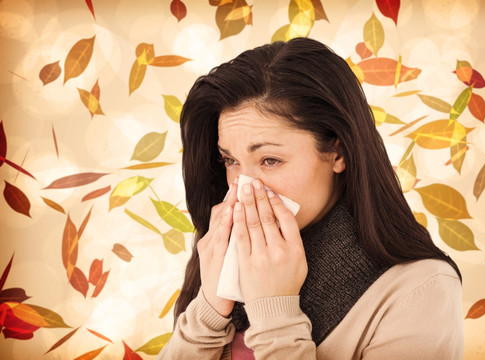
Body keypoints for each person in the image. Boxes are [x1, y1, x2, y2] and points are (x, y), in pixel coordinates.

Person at [158, 37, 463, 359]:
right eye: (230, 161)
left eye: (270, 160)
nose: (243, 188)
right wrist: (208, 310)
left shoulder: (420, 288)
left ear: (338, 152)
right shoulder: (219, 262)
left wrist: (275, 314)